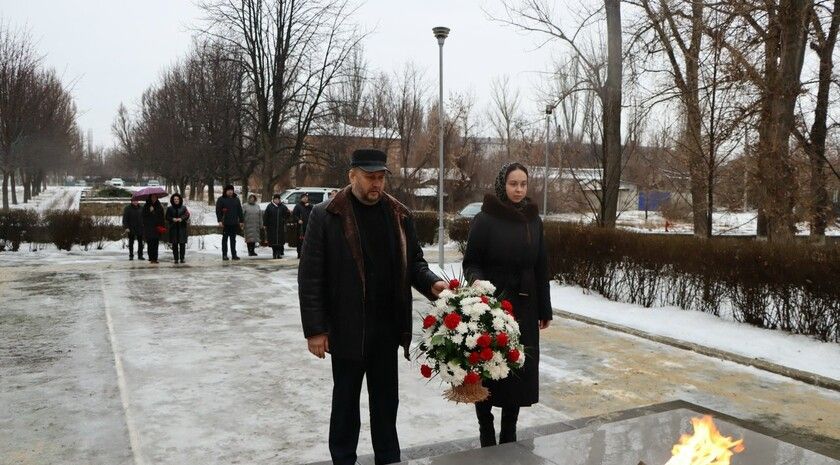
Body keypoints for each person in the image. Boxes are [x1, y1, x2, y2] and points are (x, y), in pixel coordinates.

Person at [298, 149, 448, 465]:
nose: (376, 184)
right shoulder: (326, 216)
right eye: (370, 177)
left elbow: (415, 263)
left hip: (386, 330)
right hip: (347, 331)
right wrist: (315, 330)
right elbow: (311, 275)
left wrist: (432, 283)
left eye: (380, 178)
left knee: (385, 406)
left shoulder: (398, 214)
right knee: (345, 406)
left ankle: (388, 459)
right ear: (352, 176)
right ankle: (342, 459)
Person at [462, 162, 552, 447]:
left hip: (524, 307)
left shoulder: (533, 219)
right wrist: (477, 283)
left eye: (523, 184)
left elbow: (541, 265)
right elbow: (472, 260)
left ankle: (509, 432)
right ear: (503, 184)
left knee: (516, 371)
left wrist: (544, 309)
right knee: (488, 370)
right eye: (514, 183)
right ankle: (485, 427)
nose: (519, 189)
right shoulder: (485, 218)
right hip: (491, 305)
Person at [215, 185, 244, 261]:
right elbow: (218, 211)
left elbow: (239, 211)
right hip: (225, 223)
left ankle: (234, 254)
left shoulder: (236, 199)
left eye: (231, 190)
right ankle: (224, 255)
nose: (230, 191)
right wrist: (220, 221)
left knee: (233, 240)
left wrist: (241, 221)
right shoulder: (221, 199)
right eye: (229, 190)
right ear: (225, 191)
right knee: (225, 240)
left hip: (234, 223)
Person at [263, 193, 291, 259]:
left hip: (280, 227)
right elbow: (266, 216)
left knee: (280, 241)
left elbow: (288, 214)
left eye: (278, 199)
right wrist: (265, 224)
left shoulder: (283, 206)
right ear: (273, 200)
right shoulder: (269, 206)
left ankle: (278, 253)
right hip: (272, 227)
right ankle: (274, 253)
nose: (277, 200)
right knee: (273, 241)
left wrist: (284, 218)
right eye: (276, 199)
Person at [165, 193, 190, 264]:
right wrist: (172, 219)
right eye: (175, 199)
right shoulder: (170, 208)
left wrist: (181, 219)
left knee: (182, 244)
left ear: (180, 200)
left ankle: (182, 258)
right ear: (173, 200)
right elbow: (167, 217)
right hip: (173, 228)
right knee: (174, 244)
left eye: (177, 199)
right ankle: (176, 258)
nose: (176, 200)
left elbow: (187, 215)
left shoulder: (184, 208)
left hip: (182, 228)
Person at [142, 194, 166, 264]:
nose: (154, 198)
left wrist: (162, 226)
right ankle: (150, 257)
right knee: (150, 243)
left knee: (155, 243)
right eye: (152, 197)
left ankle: (155, 258)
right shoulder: (146, 206)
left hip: (156, 228)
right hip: (149, 228)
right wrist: (149, 211)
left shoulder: (159, 206)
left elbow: (161, 218)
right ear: (150, 197)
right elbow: (143, 216)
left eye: (155, 197)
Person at [292, 193, 313, 258]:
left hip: (309, 226)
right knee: (300, 241)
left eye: (306, 197)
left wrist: (309, 205)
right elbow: (294, 215)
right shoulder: (298, 206)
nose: (305, 198)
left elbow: (315, 211)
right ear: (301, 198)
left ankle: (307, 253)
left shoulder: (310, 206)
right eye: (304, 197)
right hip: (300, 227)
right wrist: (298, 220)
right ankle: (300, 253)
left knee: (308, 240)